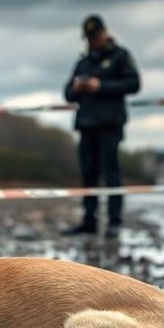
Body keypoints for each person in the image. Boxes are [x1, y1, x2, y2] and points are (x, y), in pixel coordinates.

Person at [62, 14, 140, 239]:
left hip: (109, 124)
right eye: (89, 37)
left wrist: (101, 85)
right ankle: (89, 221)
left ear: (105, 33)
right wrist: (78, 87)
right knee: (88, 175)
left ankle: (114, 222)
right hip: (86, 125)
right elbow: (67, 93)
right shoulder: (83, 62)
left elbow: (134, 84)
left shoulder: (120, 56)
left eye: (95, 36)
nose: (92, 41)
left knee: (111, 174)